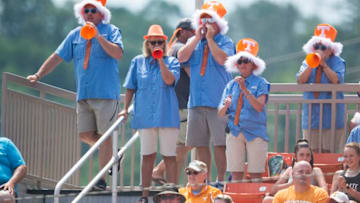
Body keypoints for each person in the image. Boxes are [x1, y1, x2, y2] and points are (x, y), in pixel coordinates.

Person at [26, 0, 124, 190]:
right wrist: (38, 74)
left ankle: (101, 180)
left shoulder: (111, 30)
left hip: (105, 94)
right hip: (84, 94)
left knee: (106, 136)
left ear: (101, 14)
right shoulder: (75, 34)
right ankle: (115, 152)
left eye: (93, 11)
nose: (88, 13)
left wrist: (98, 37)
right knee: (85, 134)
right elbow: (57, 57)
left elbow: (118, 53)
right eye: (85, 10)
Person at [120, 24, 180, 203]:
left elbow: (169, 81)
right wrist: (124, 109)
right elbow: (130, 87)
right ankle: (144, 196)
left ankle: (172, 194)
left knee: (169, 156)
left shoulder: (172, 62)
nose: (156, 45)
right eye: (152, 42)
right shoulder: (138, 61)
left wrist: (161, 60)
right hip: (145, 116)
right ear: (147, 44)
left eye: (159, 42)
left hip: (167, 115)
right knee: (147, 156)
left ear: (164, 43)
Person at [177, 0, 235, 183]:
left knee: (220, 144)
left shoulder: (225, 41)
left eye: (209, 20)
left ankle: (220, 179)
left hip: (218, 102)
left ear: (218, 24)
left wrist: (210, 39)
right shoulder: (196, 43)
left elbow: (222, 59)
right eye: (203, 20)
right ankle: (205, 180)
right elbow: (181, 57)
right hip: (196, 102)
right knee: (200, 145)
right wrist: (196, 38)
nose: (205, 24)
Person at [218, 38, 269, 182]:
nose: (242, 64)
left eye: (246, 61)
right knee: (235, 174)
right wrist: (226, 106)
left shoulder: (261, 83)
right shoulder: (230, 85)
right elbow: (220, 113)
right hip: (234, 131)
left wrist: (245, 90)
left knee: (256, 174)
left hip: (255, 131)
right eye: (239, 61)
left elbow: (259, 106)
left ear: (253, 64)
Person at [152, 18, 195, 185]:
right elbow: (194, 76)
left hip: (173, 104)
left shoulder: (171, 49)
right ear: (182, 31)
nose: (194, 35)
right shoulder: (179, 48)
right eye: (192, 31)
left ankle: (173, 183)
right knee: (187, 143)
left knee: (181, 146)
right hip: (181, 104)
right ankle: (158, 170)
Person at [297, 23, 345, 153]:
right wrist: (312, 64)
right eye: (316, 46)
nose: (319, 49)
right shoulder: (308, 61)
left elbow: (336, 80)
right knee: (311, 153)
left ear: (330, 49)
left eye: (323, 47)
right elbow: (300, 80)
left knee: (330, 154)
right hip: (311, 117)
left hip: (332, 117)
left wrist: (324, 65)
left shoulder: (338, 62)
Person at [263, 139, 328, 203]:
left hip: (310, 199)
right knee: (267, 200)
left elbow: (324, 189)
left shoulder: (316, 171)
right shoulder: (290, 170)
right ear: (295, 156)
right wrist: (292, 184)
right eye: (301, 155)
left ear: (311, 157)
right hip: (290, 199)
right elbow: (273, 189)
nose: (305, 158)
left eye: (308, 155)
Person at [0, 137, 27, 203]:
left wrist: (11, 183)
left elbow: (21, 167)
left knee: (5, 197)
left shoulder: (5, 143)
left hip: (3, 188)